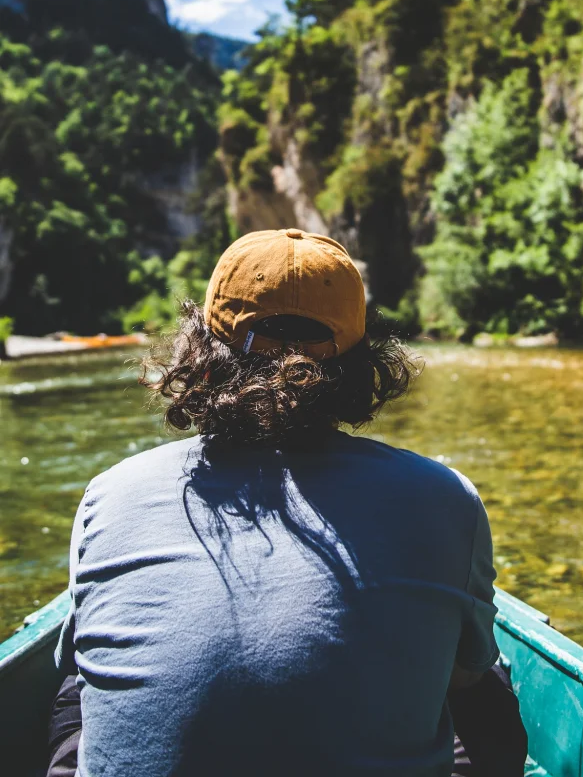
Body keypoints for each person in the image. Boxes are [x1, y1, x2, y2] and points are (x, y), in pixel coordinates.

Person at [50, 228, 527, 777]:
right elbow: (463, 679)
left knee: (73, 680)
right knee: (480, 673)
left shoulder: (111, 494)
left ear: (200, 352)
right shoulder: (447, 499)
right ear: (360, 364)